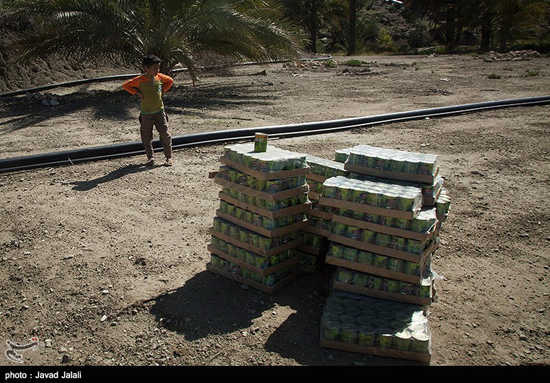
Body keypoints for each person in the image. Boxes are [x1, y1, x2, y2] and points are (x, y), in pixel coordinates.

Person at [123, 55, 174, 166]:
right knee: (146, 136)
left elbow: (170, 81)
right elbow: (126, 85)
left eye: (158, 68)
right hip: (146, 114)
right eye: (155, 68)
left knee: (165, 134)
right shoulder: (140, 80)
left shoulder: (160, 78)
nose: (157, 70)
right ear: (146, 68)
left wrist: (162, 91)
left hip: (160, 112)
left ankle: (169, 158)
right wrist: (138, 93)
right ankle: (150, 158)